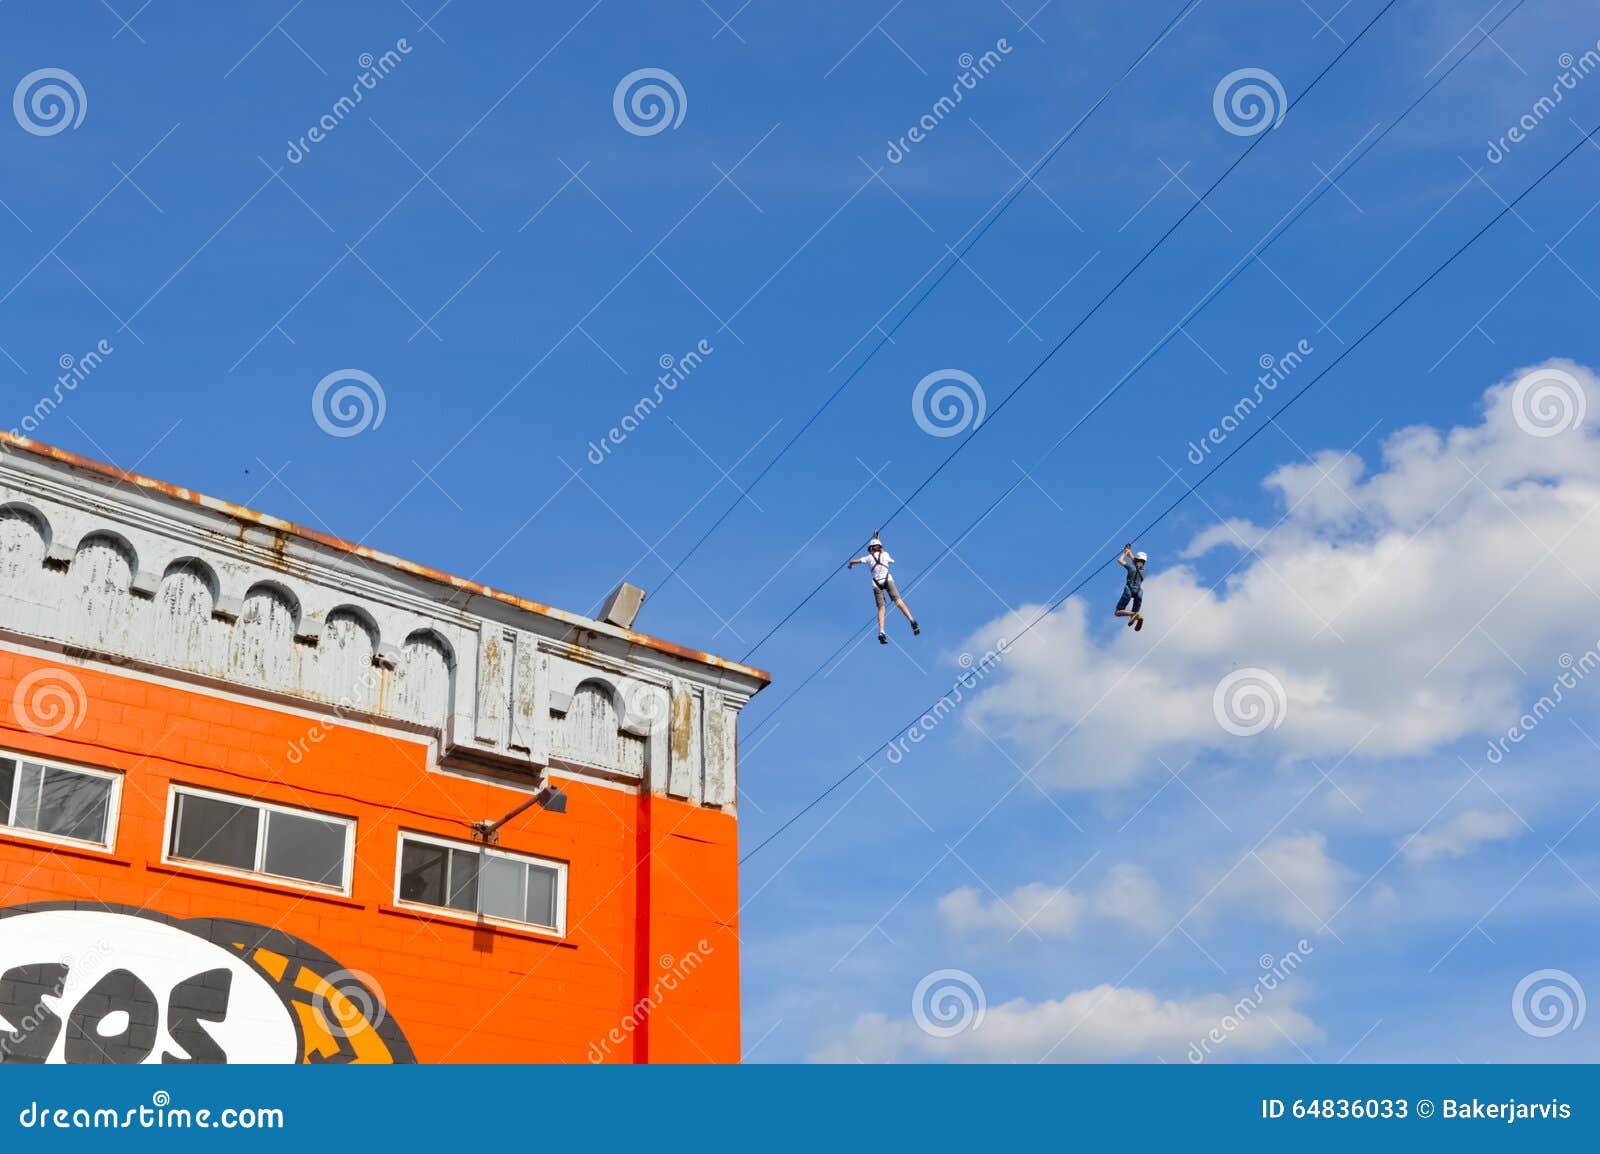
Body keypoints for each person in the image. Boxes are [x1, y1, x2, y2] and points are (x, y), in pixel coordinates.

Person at [848, 535, 920, 645]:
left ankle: (881, 632)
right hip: (888, 580)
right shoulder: (885, 554)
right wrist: (877, 539)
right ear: (880, 547)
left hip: (876, 584)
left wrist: (850, 565)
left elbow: (854, 561)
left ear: (871, 549)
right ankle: (911, 620)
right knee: (898, 601)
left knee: (881, 608)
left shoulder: (868, 558)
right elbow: (885, 554)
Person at [1116, 544, 1147, 631]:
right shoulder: (1145, 571)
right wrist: (1129, 551)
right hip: (1138, 592)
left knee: (1118, 612)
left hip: (1129, 590)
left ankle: (1133, 614)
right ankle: (1135, 615)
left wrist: (1125, 553)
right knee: (1136, 610)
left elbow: (1120, 560)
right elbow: (1135, 560)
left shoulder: (1131, 568)